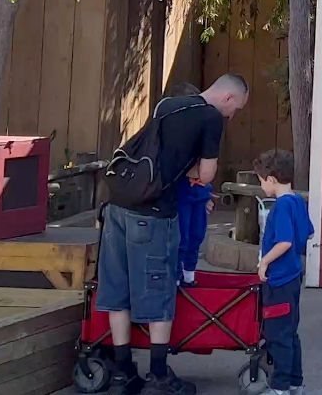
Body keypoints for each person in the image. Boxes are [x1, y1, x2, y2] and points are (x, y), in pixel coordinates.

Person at [97, 75, 248, 395]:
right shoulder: (210, 118)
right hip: (152, 214)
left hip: (117, 206)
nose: (232, 117)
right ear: (228, 98)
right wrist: (192, 173)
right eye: (236, 109)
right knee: (159, 289)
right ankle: (159, 372)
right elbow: (206, 174)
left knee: (117, 288)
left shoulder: (167, 105)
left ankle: (123, 371)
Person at [253, 148, 313, 395]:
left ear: (271, 179)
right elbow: (308, 232)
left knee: (277, 335)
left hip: (279, 280)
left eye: (261, 180)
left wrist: (264, 261)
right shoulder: (298, 200)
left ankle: (279, 387)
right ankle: (295, 382)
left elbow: (285, 241)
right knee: (290, 333)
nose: (261, 185)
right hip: (293, 277)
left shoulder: (281, 207)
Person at [164, 84, 214, 286]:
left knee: (196, 235)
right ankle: (176, 278)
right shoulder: (172, 133)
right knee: (180, 238)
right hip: (181, 192)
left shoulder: (202, 131)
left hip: (200, 192)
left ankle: (189, 276)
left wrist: (208, 194)